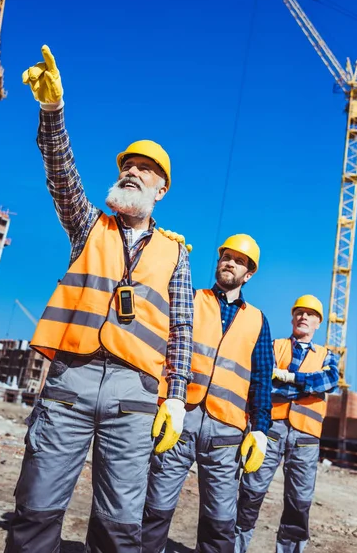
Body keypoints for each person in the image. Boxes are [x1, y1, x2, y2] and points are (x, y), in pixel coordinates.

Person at [5, 45, 194, 553]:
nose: (132, 171)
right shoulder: (90, 225)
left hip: (134, 394)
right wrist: (52, 113)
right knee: (37, 508)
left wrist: (175, 396)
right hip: (71, 379)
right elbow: (61, 173)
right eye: (127, 165)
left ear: (162, 190)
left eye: (145, 169)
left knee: (119, 525)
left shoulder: (177, 253)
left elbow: (182, 329)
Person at [142, 234, 274, 553]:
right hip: (180, 420)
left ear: (249, 273)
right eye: (226, 257)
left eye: (239, 261)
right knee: (154, 510)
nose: (230, 262)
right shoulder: (190, 298)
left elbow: (261, 380)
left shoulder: (258, 321)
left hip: (226, 433)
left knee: (219, 522)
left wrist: (260, 428)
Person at [235, 295, 339, 553]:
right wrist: (307, 386)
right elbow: (264, 379)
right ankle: (235, 548)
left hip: (306, 436)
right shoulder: (274, 346)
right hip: (271, 429)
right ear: (293, 317)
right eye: (299, 312)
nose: (304, 317)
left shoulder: (327, 355)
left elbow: (330, 380)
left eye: (310, 314)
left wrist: (290, 378)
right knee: (250, 492)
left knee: (299, 502)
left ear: (318, 323)